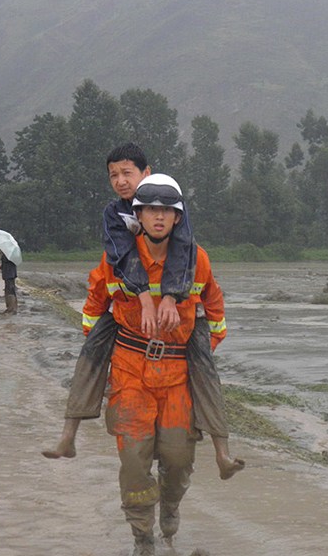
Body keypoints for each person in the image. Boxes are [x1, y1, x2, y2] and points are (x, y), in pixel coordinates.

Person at [43, 144, 243, 482]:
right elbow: (116, 263)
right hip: (130, 349)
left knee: (206, 373)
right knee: (90, 357)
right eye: (114, 175)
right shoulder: (113, 217)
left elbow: (187, 261)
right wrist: (131, 312)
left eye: (128, 173)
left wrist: (171, 299)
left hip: (177, 343)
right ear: (138, 213)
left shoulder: (190, 244)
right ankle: (68, 435)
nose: (121, 181)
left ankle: (222, 452)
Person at [85, 174, 226, 554]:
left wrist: (200, 349)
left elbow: (215, 314)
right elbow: (94, 309)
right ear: (139, 216)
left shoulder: (197, 261)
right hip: (131, 374)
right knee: (134, 462)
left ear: (177, 218)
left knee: (178, 462)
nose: (159, 217)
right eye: (151, 210)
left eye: (166, 210)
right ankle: (142, 537)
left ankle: (171, 508)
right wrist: (108, 353)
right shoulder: (116, 260)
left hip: (178, 377)